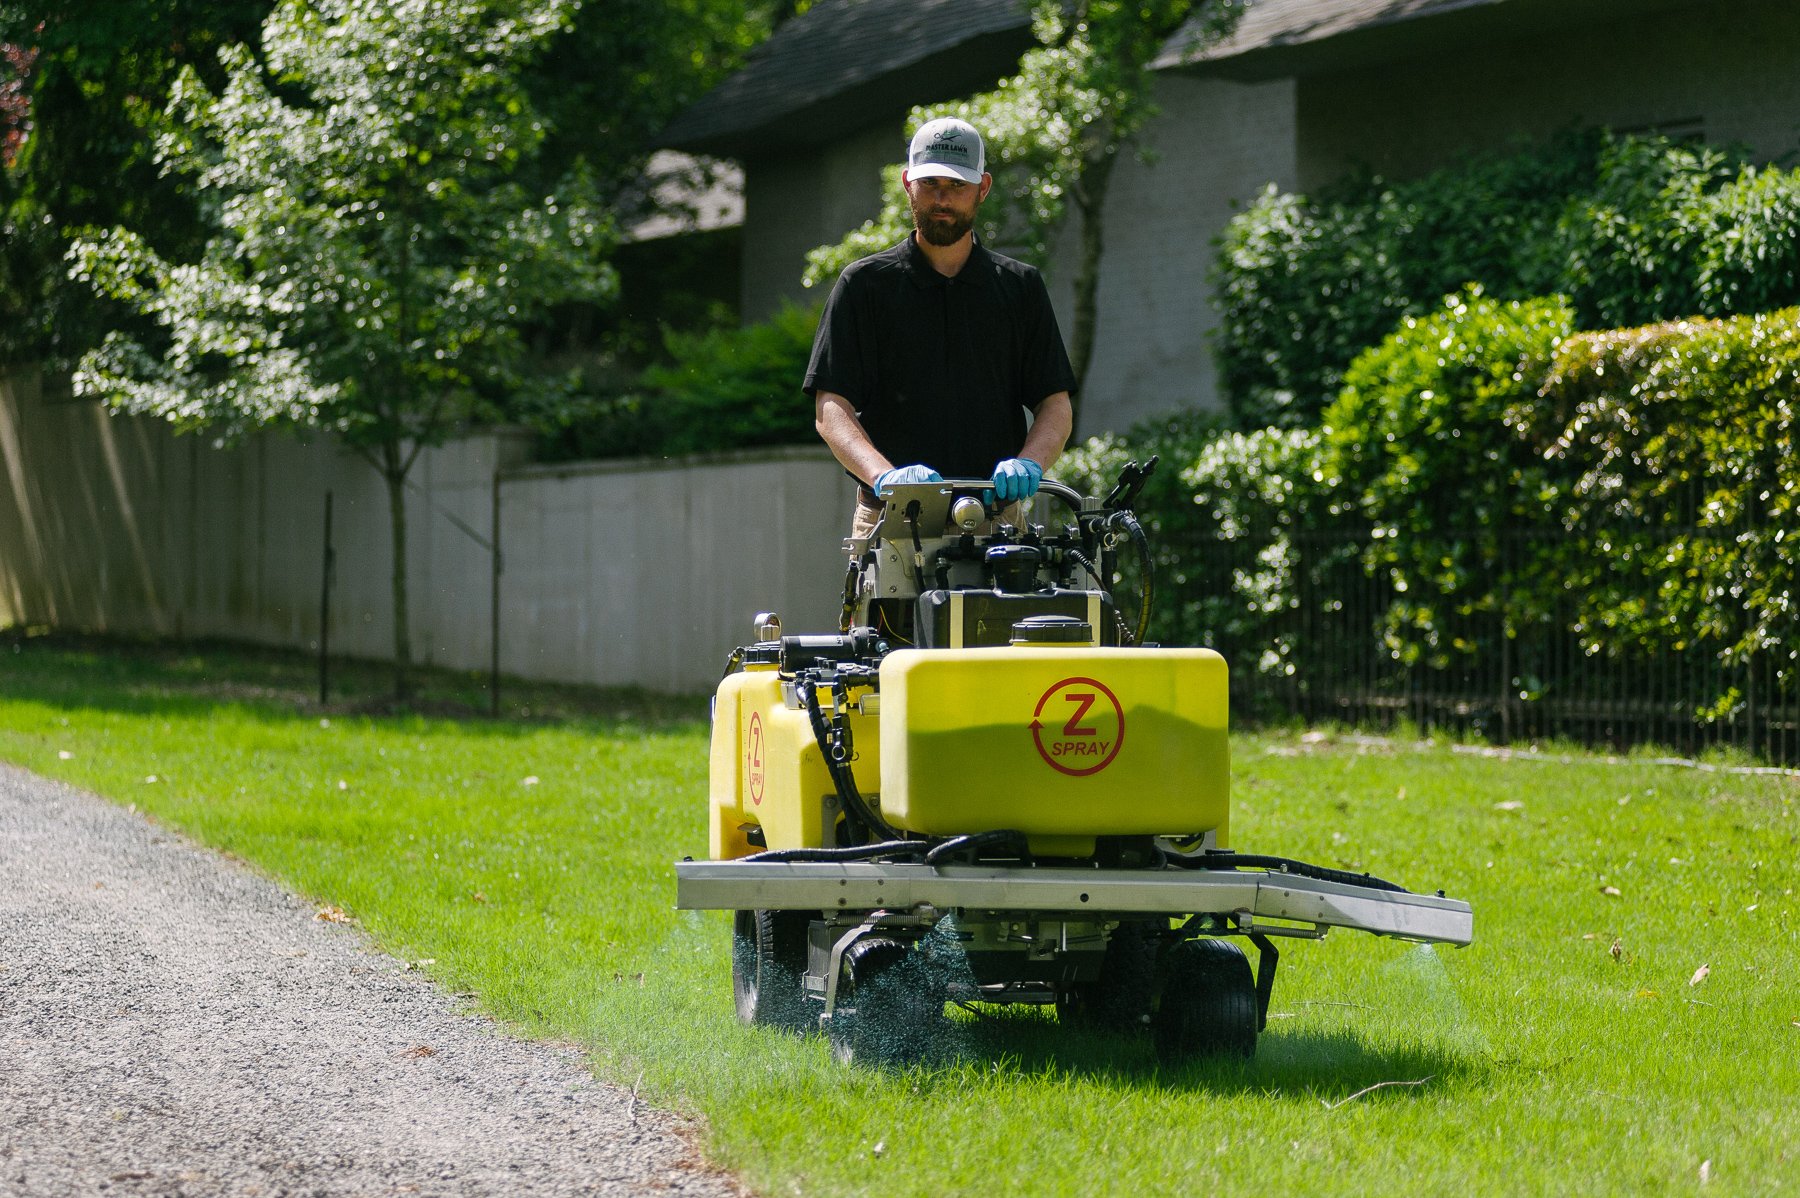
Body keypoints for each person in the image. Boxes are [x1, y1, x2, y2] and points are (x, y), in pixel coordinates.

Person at [804, 115, 1076, 541]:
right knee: (889, 613)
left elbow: (1054, 405)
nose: (942, 199)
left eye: (957, 186)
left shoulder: (1020, 288)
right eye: (930, 184)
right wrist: (884, 477)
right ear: (907, 183)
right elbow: (831, 407)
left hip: (995, 520)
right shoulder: (864, 285)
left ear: (982, 188)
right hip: (890, 518)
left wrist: (1031, 463)